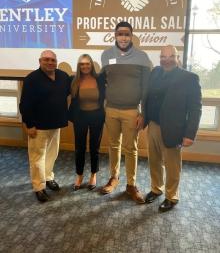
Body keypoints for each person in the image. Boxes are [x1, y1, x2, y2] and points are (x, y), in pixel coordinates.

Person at [144, 45, 202, 212]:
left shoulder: (189, 78)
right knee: (154, 161)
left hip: (174, 129)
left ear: (178, 58)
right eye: (163, 56)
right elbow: (148, 96)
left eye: (171, 56)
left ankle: (172, 196)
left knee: (172, 165)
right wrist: (144, 116)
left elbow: (195, 108)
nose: (166, 59)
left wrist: (190, 134)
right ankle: (156, 188)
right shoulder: (155, 72)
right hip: (153, 125)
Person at [101, 21, 152, 204]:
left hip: (132, 111)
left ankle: (131, 185)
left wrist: (143, 113)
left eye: (127, 34)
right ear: (115, 35)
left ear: (131, 36)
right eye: (120, 34)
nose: (123, 37)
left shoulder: (142, 57)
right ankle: (113, 178)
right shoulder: (106, 55)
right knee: (114, 145)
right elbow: (104, 81)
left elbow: (146, 89)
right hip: (111, 110)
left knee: (131, 149)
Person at [19, 50, 70, 202]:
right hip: (38, 126)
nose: (50, 62)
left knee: (52, 154)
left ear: (56, 61)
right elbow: (25, 104)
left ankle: (48, 177)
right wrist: (29, 124)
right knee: (37, 157)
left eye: (53, 60)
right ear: (40, 61)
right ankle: (39, 187)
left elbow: (69, 93)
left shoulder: (63, 76)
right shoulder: (31, 79)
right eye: (46, 60)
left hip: (56, 124)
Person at [68, 54, 105, 191]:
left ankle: (93, 175)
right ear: (79, 66)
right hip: (80, 116)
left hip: (97, 116)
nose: (85, 66)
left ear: (91, 65)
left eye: (87, 63)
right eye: (82, 64)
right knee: (80, 148)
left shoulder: (99, 79)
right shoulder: (73, 80)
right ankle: (79, 175)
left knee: (95, 148)